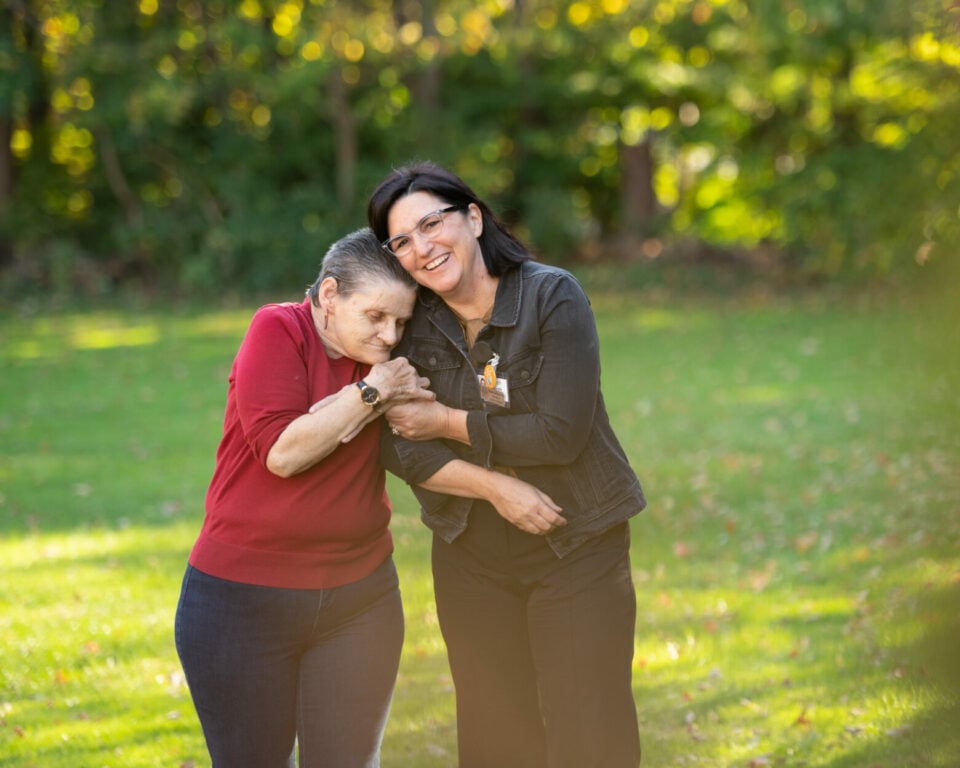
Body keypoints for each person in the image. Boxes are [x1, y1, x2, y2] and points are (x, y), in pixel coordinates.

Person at [367, 162, 647, 768]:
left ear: (473, 217)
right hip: (470, 552)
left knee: (589, 734)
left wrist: (444, 421)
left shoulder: (552, 295)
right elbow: (396, 445)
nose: (422, 248)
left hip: (576, 542)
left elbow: (559, 434)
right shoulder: (409, 322)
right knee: (496, 738)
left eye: (431, 224)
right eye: (402, 241)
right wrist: (494, 487)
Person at [174, 227, 434, 768]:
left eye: (402, 322)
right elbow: (285, 453)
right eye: (376, 317)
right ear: (331, 294)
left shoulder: (382, 354)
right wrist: (372, 391)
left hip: (361, 600)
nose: (390, 336)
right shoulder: (278, 328)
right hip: (241, 604)